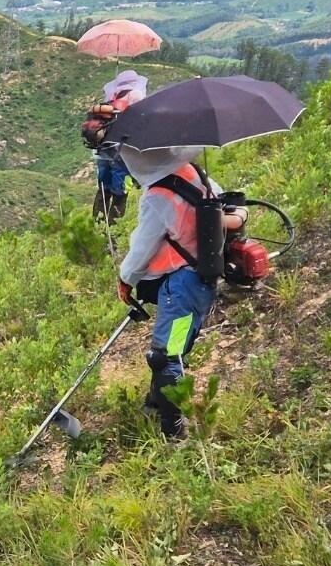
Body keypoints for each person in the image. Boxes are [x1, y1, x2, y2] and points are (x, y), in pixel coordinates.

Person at [115, 150, 246, 440]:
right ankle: (154, 404)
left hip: (181, 287)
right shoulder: (193, 172)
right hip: (202, 281)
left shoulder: (158, 197)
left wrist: (125, 279)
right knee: (173, 347)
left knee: (166, 356)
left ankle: (173, 432)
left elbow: (142, 248)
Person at [92, 71, 147, 222]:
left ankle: (96, 223)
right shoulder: (135, 96)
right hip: (120, 152)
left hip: (103, 150)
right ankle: (114, 226)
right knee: (120, 191)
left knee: (103, 189)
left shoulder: (111, 98)